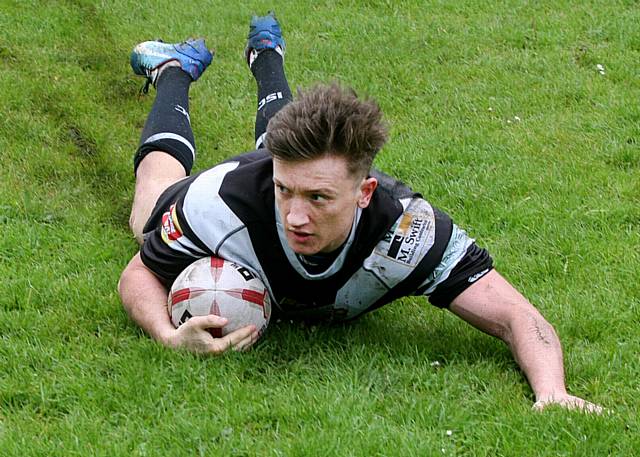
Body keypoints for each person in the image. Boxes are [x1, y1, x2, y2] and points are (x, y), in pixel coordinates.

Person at [118, 13, 602, 413]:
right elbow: (138, 273)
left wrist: (552, 392)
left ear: (365, 192)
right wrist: (166, 335)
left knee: (288, 152)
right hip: (238, 181)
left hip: (285, 174)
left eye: (319, 199)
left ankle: (266, 55)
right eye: (285, 192)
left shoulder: (408, 233)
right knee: (148, 211)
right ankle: (175, 70)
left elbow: (516, 315)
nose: (296, 217)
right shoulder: (216, 203)